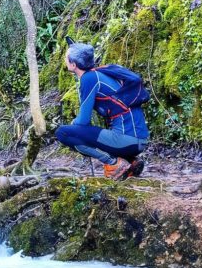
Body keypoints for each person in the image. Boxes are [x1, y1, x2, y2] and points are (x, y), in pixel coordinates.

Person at [54, 42, 149, 179]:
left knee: (63, 133)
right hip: (138, 141)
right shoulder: (99, 74)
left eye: (66, 57)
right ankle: (130, 161)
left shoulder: (89, 78)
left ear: (74, 64)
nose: (64, 59)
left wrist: (74, 123)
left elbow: (84, 121)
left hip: (127, 140)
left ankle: (114, 163)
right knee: (84, 132)